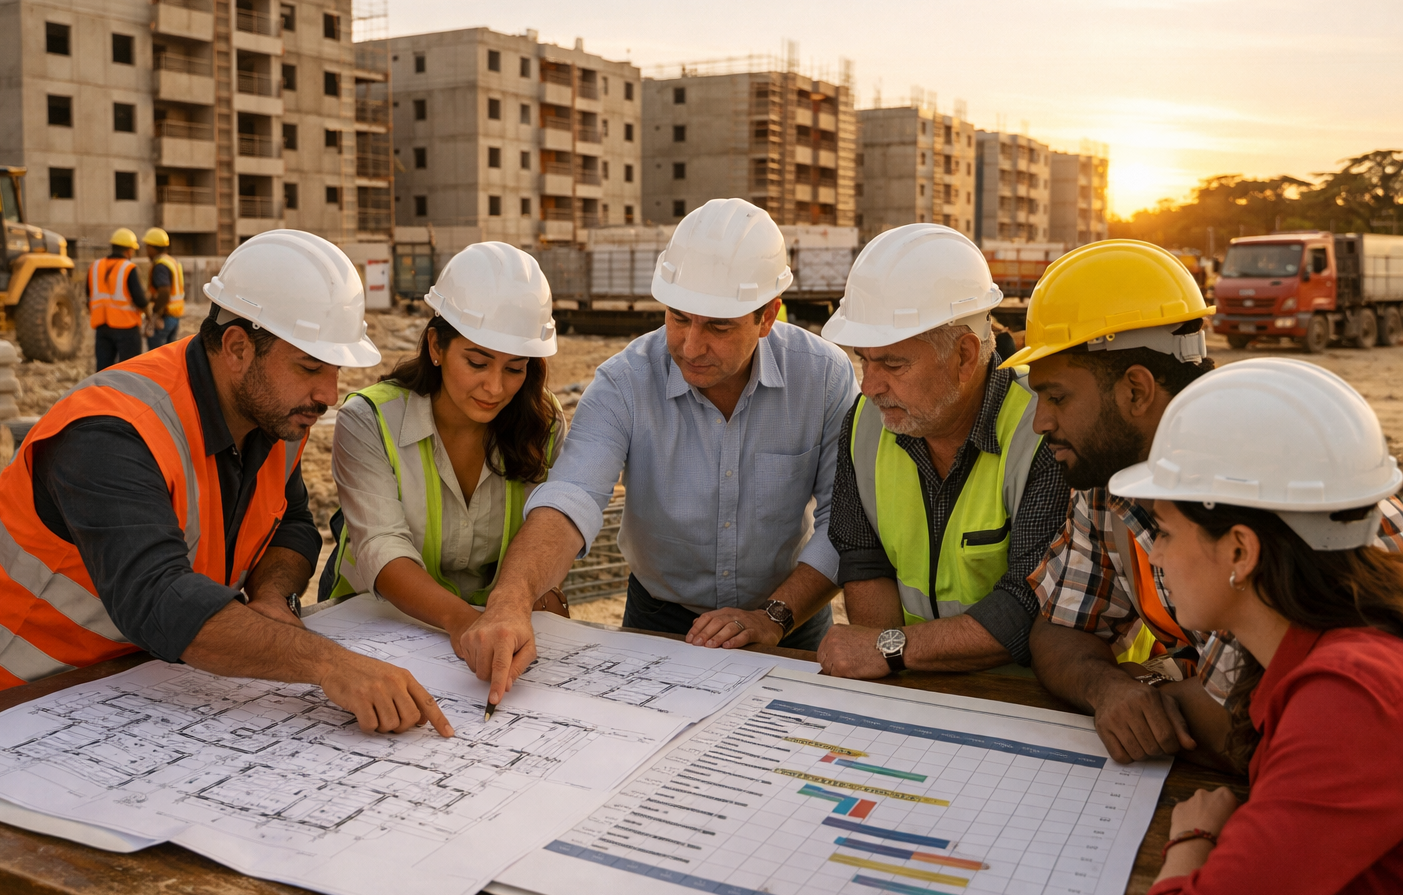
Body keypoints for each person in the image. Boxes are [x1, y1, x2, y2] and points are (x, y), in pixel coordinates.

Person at [0, 229, 453, 895]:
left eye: (335, 370)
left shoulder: (276, 414)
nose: (329, 394)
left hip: (116, 690)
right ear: (236, 348)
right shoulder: (113, 432)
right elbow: (158, 600)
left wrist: (273, 597)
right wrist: (328, 664)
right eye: (311, 368)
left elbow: (292, 523)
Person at [1011, 240, 1403, 766]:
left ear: (1136, 390)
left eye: (1057, 397)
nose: (1040, 422)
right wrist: (1109, 689)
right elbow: (1059, 629)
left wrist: (1148, 694)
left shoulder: (1253, 483)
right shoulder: (1106, 483)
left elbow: (1239, 722)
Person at [458, 198, 858, 706]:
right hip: (658, 619)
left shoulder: (823, 377)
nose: (691, 346)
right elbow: (569, 497)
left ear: (767, 317)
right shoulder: (625, 381)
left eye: (717, 326)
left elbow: (842, 519)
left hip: (791, 617)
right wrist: (510, 602)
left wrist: (774, 617)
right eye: (678, 318)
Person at [1110, 360, 1403, 895]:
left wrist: (1192, 838)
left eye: (1163, 531)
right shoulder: (1333, 655)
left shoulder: (1349, 700)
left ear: (1240, 550)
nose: (1157, 556)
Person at [813, 224, 1069, 678]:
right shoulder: (864, 424)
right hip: (916, 681)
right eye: (863, 360)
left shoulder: (1043, 432)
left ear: (966, 357)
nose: (870, 387)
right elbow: (862, 559)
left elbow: (1029, 602)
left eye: (892, 363)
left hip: (1034, 694)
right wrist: (895, 675)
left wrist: (889, 649)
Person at [322, 243, 568, 641]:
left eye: (515, 369)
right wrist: (467, 624)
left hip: (494, 626)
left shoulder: (544, 422)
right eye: (477, 362)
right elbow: (382, 548)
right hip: (378, 625)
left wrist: (536, 603)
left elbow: (549, 533)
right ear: (436, 347)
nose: (494, 387)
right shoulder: (369, 420)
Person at [87, 228, 148, 369]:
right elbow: (140, 299)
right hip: (127, 328)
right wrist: (149, 314)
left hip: (102, 326)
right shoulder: (129, 268)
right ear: (128, 251)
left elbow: (89, 295)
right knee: (129, 371)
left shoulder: (95, 266)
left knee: (103, 372)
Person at [143, 226, 185, 350]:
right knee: (168, 358)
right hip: (175, 317)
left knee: (156, 360)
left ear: (152, 247)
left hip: (164, 318)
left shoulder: (160, 265)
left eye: (147, 247)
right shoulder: (172, 262)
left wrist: (155, 314)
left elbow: (164, 292)